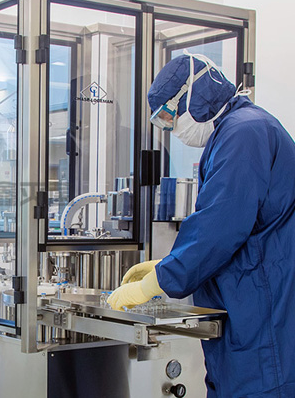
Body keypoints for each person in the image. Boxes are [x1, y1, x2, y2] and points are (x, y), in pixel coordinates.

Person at [107, 53, 295, 397]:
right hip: (248, 311)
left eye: (170, 117)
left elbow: (219, 227)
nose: (173, 129)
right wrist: (166, 264)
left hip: (263, 321)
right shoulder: (237, 130)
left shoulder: (244, 133)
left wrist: (159, 280)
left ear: (193, 96)